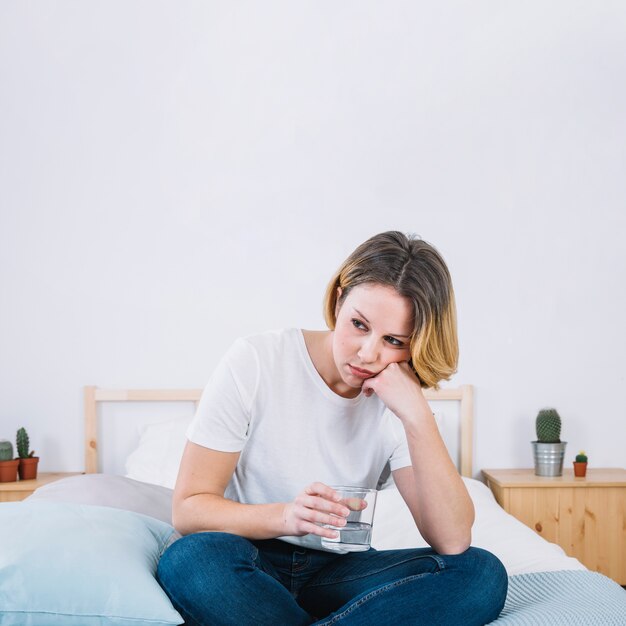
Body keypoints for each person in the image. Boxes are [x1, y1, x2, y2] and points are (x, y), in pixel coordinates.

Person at [157, 231, 508, 625]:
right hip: (248, 557)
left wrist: (417, 416)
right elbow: (188, 509)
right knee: (189, 560)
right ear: (339, 299)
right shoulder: (257, 361)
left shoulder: (399, 398)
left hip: (340, 572)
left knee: (480, 574)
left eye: (393, 340)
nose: (368, 353)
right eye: (359, 324)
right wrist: (289, 516)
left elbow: (453, 539)